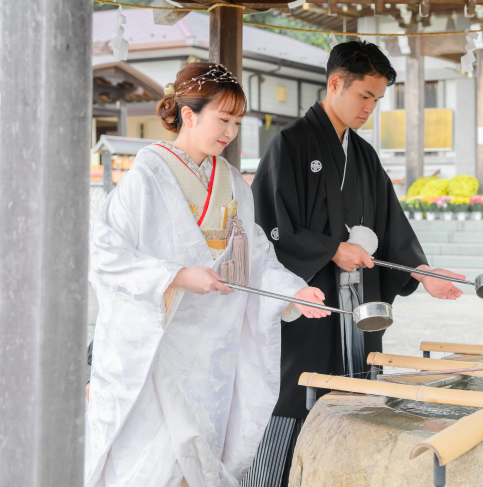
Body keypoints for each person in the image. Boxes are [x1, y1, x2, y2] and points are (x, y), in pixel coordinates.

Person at [84, 62, 331, 487]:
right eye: (223, 119)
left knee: (199, 456)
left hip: (213, 349)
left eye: (237, 122)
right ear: (189, 114)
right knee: (153, 458)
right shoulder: (146, 177)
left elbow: (255, 255)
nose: (230, 131)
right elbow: (104, 252)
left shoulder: (233, 182)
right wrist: (177, 275)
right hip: (160, 345)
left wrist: (294, 292)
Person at [247, 39, 465, 486]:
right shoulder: (289, 144)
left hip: (357, 307)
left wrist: (421, 273)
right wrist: (330, 249)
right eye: (365, 95)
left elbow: (392, 226)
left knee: (358, 389)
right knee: (296, 393)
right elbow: (268, 226)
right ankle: (268, 480)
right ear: (335, 83)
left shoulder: (363, 155)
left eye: (377, 99)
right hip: (308, 305)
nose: (371, 107)